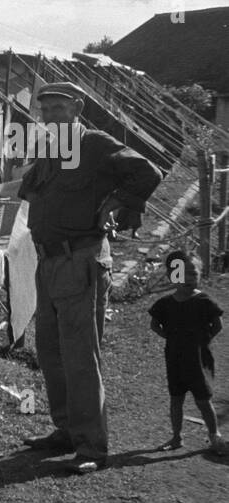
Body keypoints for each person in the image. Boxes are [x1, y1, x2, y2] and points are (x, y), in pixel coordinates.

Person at [19, 82, 163, 474]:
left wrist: (117, 202)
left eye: (58, 107)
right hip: (48, 262)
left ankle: (91, 447)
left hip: (80, 259)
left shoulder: (96, 144)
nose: (49, 115)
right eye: (44, 108)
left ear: (78, 107)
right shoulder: (52, 147)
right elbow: (28, 190)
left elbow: (148, 172)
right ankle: (65, 429)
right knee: (50, 351)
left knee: (81, 355)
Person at [149, 251, 227, 454]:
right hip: (175, 360)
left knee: (203, 400)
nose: (188, 278)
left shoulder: (204, 301)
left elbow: (218, 324)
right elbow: (154, 324)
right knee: (176, 400)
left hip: (198, 361)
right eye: (182, 274)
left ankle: (215, 436)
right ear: (173, 277)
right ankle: (176, 437)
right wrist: (171, 337)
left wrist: (203, 340)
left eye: (193, 273)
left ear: (200, 275)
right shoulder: (165, 304)